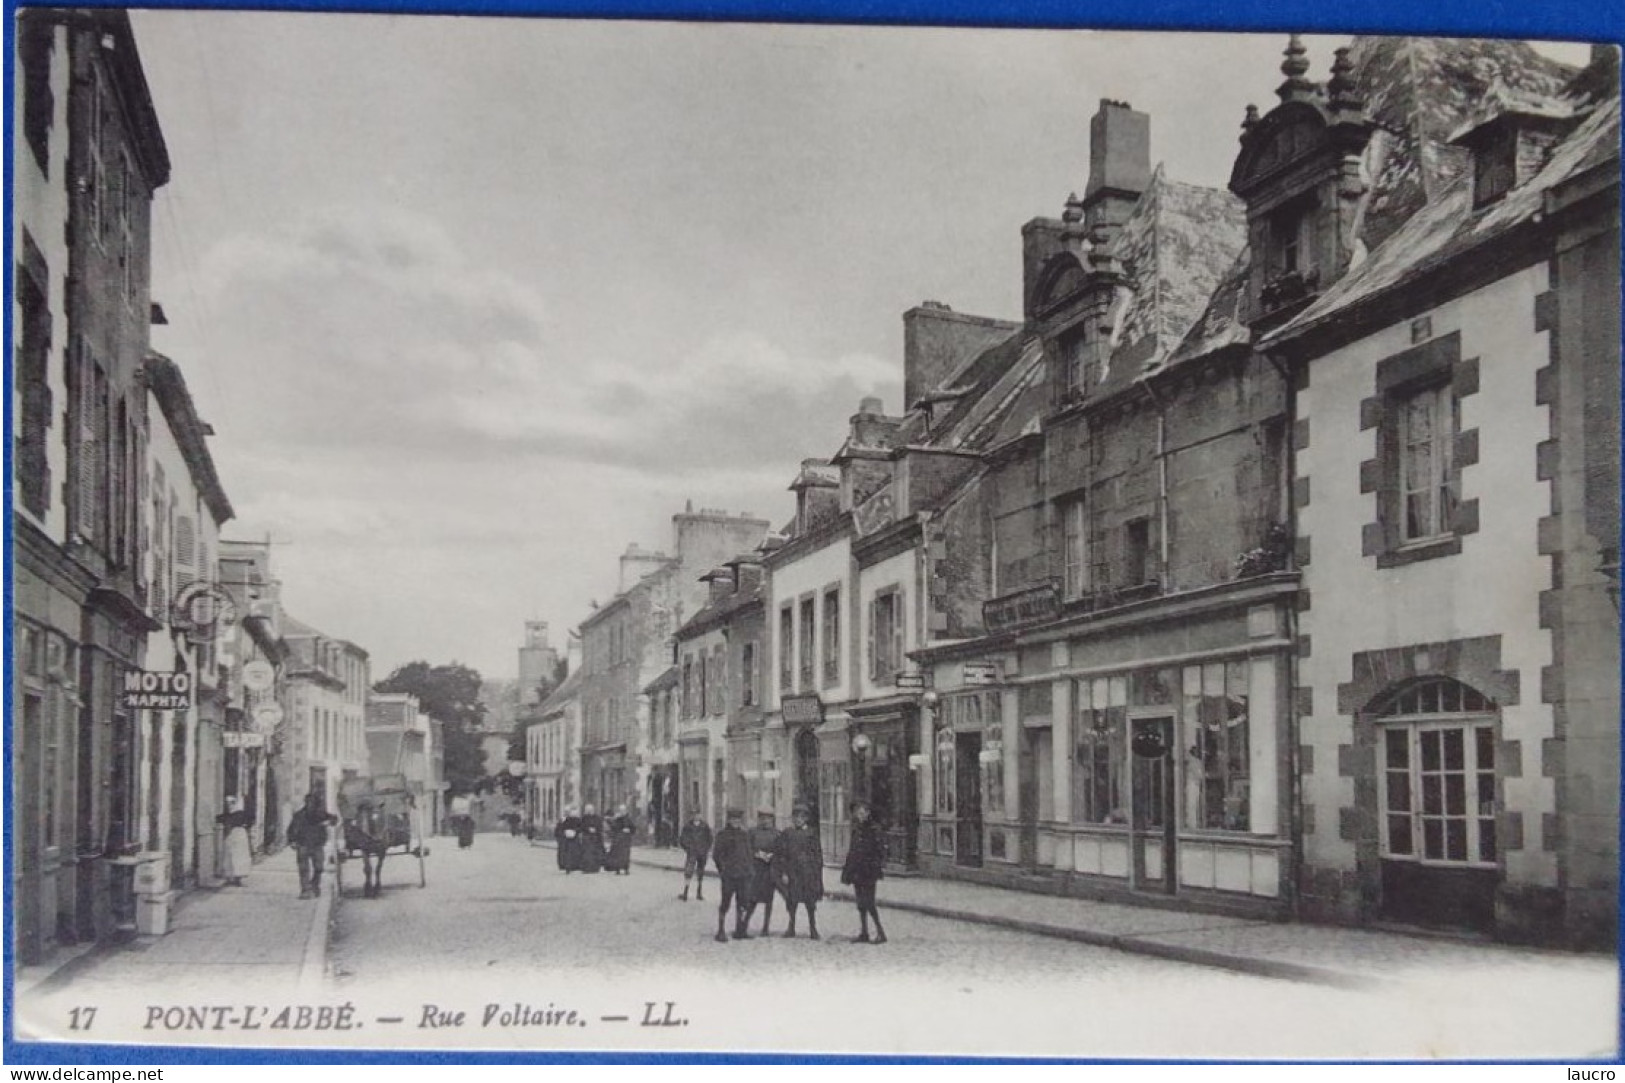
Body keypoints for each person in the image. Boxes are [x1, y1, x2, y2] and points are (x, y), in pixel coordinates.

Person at [772, 803, 825, 939]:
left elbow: (817, 854)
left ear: (806, 818)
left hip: (808, 873)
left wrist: (816, 871)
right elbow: (782, 854)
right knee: (792, 901)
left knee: (810, 902)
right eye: (795, 817)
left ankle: (813, 929)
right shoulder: (788, 833)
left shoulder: (812, 833)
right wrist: (783, 872)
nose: (798, 819)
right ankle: (791, 927)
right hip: (793, 873)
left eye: (801, 817)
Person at [840, 798, 887, 944]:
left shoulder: (874, 830)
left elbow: (880, 852)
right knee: (860, 903)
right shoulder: (856, 829)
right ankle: (864, 932)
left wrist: (875, 867)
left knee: (870, 902)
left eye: (862, 812)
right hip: (856, 870)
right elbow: (852, 851)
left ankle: (881, 933)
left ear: (868, 813)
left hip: (868, 871)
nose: (859, 815)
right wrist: (847, 870)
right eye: (857, 813)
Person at [710, 808, 755, 942]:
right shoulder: (722, 835)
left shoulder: (744, 835)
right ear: (728, 820)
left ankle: (740, 930)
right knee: (725, 902)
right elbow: (716, 856)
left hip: (743, 875)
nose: (736, 822)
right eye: (733, 819)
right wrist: (723, 870)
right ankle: (721, 930)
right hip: (729, 875)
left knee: (743, 902)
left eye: (738, 820)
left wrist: (750, 869)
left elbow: (749, 853)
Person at [287, 790, 338, 900]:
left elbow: (334, 819)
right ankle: (305, 890)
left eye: (312, 802)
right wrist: (292, 841)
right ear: (306, 802)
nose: (310, 804)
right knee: (304, 869)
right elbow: (291, 829)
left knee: (319, 868)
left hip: (317, 845)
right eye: (308, 802)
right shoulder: (299, 815)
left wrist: (328, 822)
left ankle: (314, 885)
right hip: (303, 844)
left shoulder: (321, 815)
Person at [745, 808, 781, 936]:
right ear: (759, 819)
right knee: (752, 899)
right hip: (756, 870)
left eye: (768, 818)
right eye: (762, 818)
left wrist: (772, 855)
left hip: (769, 870)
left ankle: (766, 927)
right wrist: (757, 854)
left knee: (769, 900)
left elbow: (781, 850)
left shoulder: (777, 834)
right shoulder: (752, 832)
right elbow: (747, 848)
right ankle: (745, 924)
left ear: (772, 819)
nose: (765, 821)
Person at [215, 796, 254, 887]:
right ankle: (229, 877)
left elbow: (250, 820)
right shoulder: (227, 815)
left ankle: (238, 878)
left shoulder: (241, 813)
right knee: (229, 855)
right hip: (230, 836)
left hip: (240, 835)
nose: (229, 805)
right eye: (228, 803)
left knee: (239, 857)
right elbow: (219, 820)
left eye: (232, 803)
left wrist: (246, 826)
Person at [677, 809, 713, 902]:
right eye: (694, 814)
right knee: (689, 871)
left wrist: (706, 848)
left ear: (700, 815)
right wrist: (688, 847)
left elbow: (710, 838)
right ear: (692, 815)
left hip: (702, 852)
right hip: (692, 852)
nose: (696, 816)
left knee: (701, 872)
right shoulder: (688, 826)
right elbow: (682, 839)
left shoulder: (705, 826)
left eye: (698, 814)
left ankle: (699, 892)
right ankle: (685, 892)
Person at [604, 804, 635, 874]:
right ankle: (617, 869)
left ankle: (626, 868)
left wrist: (629, 830)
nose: (622, 812)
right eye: (621, 810)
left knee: (626, 855)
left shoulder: (629, 819)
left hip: (626, 840)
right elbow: (614, 828)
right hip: (619, 839)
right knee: (618, 854)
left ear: (626, 811)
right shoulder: (617, 819)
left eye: (623, 810)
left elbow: (633, 828)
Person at [555, 807, 584, 873]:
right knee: (566, 853)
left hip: (574, 839)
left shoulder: (577, 820)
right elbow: (559, 829)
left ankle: (575, 865)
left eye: (568, 812)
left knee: (574, 852)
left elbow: (580, 827)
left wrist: (575, 832)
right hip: (565, 839)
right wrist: (564, 833)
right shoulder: (562, 820)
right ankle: (566, 865)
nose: (567, 813)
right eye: (566, 812)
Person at [578, 804, 605, 873]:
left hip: (596, 837)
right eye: (588, 810)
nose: (589, 811)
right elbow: (581, 827)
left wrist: (596, 830)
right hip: (587, 837)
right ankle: (586, 868)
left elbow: (600, 826)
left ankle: (595, 867)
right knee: (587, 853)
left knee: (595, 853)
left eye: (591, 810)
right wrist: (587, 829)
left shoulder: (597, 818)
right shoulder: (584, 818)